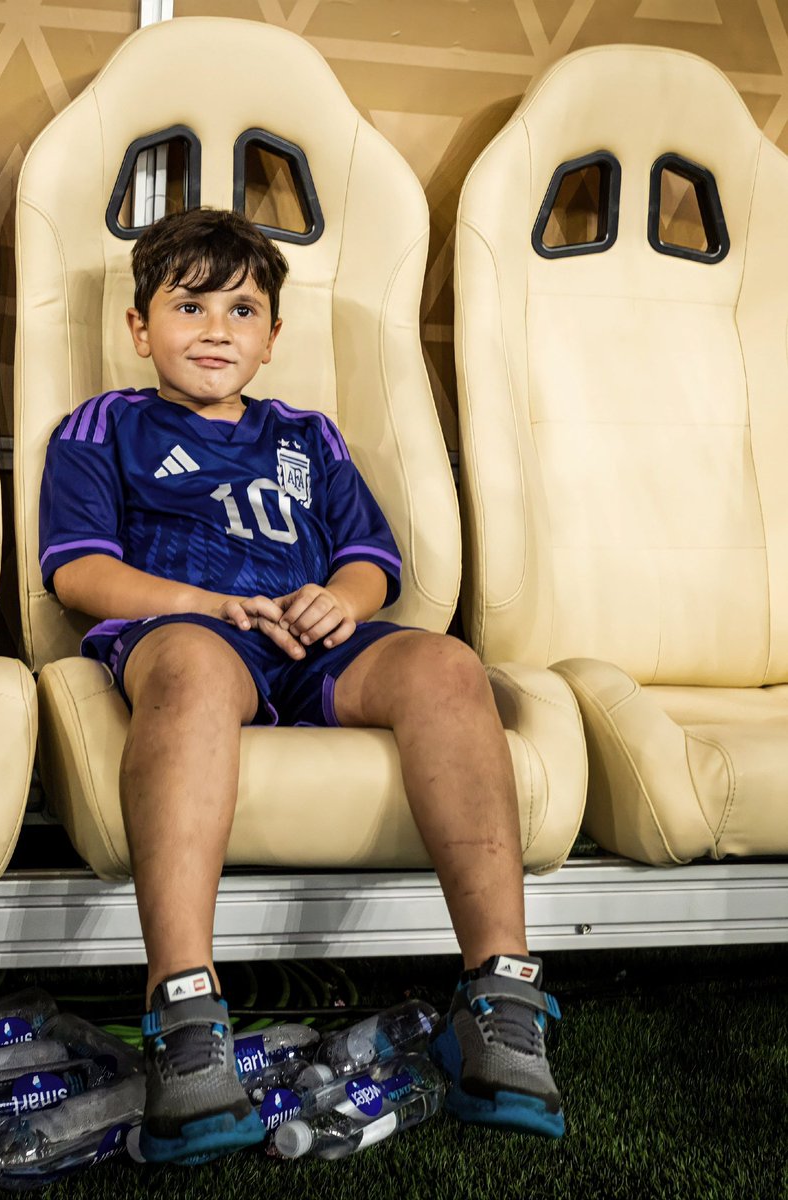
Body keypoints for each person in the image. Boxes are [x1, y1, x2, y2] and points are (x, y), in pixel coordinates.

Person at [38, 207, 563, 1163]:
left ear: (274, 336)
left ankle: (499, 996)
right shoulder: (103, 425)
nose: (214, 329)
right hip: (187, 635)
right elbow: (77, 571)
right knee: (194, 662)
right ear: (138, 327)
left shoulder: (307, 436)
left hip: (311, 643)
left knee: (446, 663)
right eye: (188, 305)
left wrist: (340, 600)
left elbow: (372, 562)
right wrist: (205, 602)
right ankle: (186, 1018)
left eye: (241, 311)